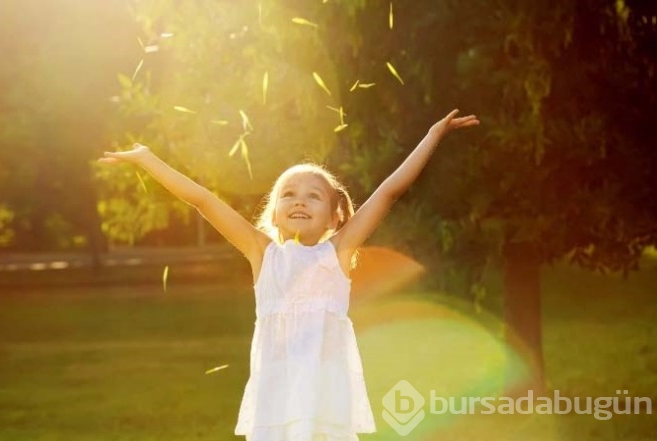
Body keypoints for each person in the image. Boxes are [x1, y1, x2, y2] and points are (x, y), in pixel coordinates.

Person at [99, 109, 480, 440]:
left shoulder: (338, 253)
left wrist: (432, 136)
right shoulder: (263, 254)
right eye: (289, 194)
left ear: (335, 217)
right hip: (276, 404)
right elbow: (202, 200)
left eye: (314, 196)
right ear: (275, 213)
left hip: (325, 402)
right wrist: (147, 159)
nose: (299, 199)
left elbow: (388, 193)